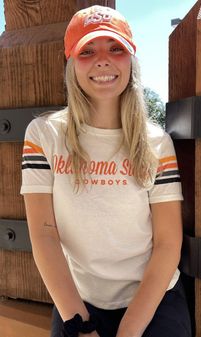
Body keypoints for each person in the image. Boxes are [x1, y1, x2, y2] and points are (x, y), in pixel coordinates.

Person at [20, 5, 192, 337]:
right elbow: (43, 233)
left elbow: (168, 243)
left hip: (152, 299)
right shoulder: (43, 136)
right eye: (87, 51)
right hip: (80, 302)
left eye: (116, 48)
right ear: (71, 63)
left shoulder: (156, 142)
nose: (103, 60)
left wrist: (128, 330)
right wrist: (80, 324)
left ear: (130, 60)